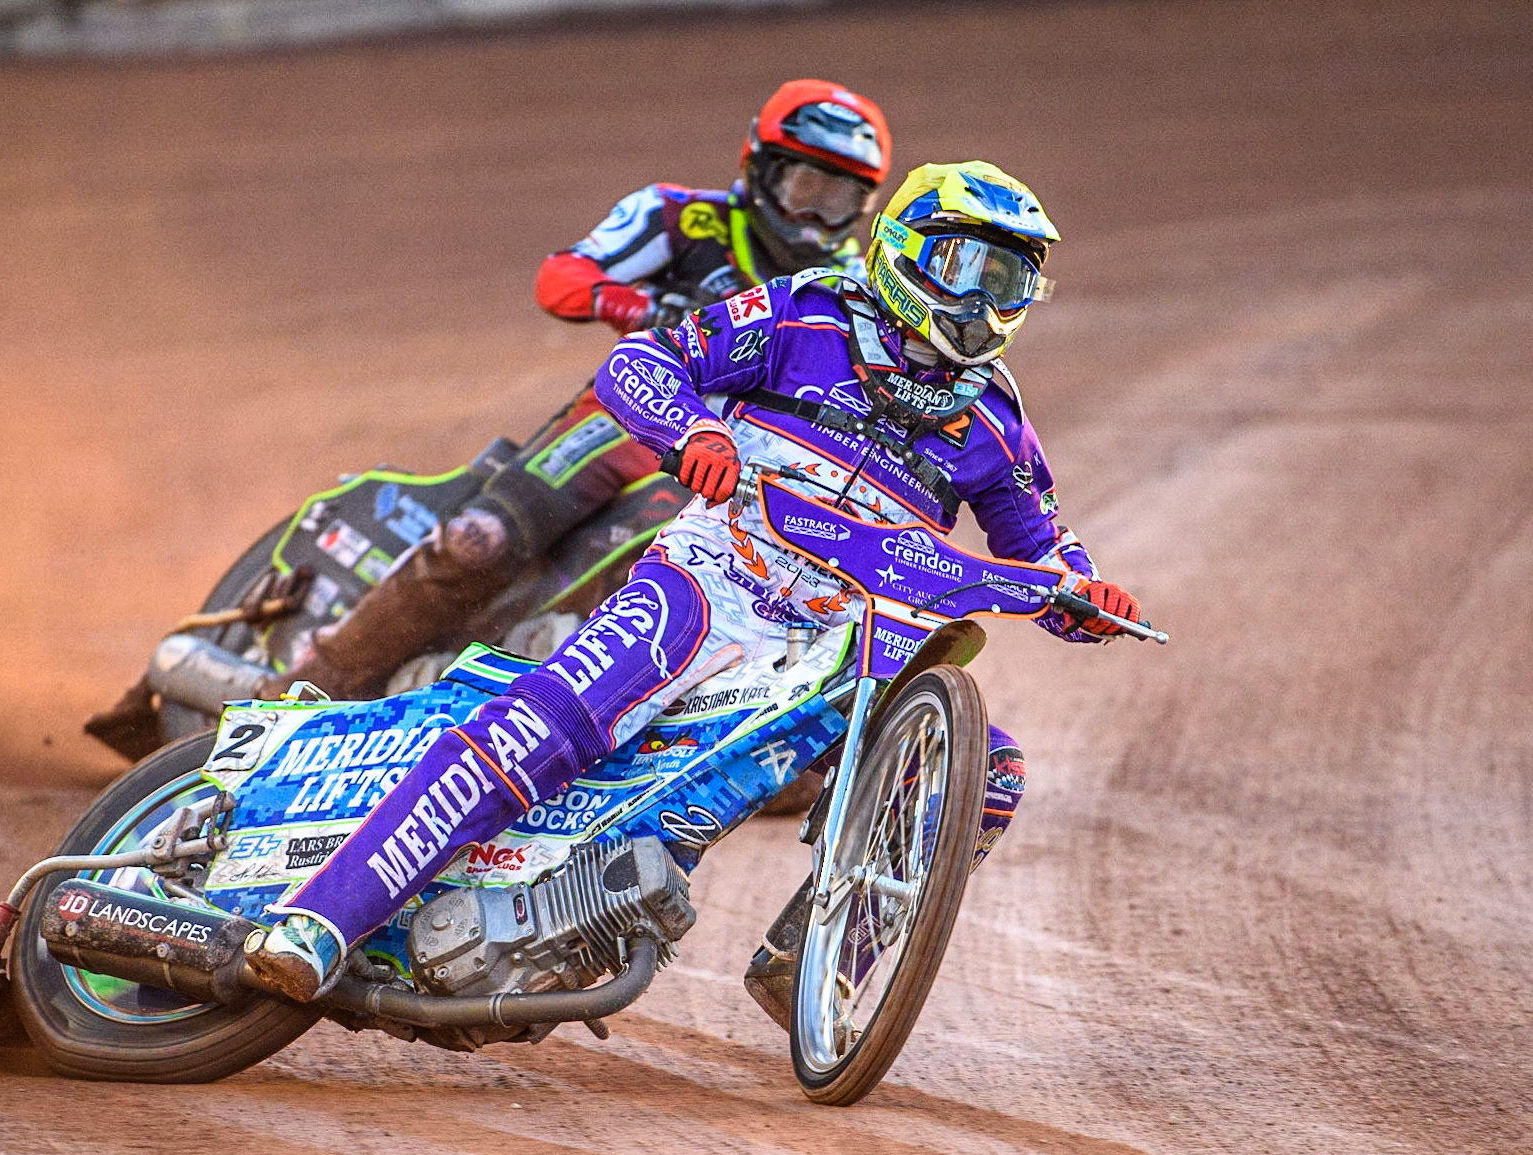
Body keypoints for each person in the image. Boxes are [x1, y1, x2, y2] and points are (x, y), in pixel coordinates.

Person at [246, 160, 1143, 1004]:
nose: (989, 302)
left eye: (1012, 281)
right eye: (970, 267)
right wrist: (694, 433)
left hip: (843, 638)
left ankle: (814, 967)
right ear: (909, 247)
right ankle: (321, 919)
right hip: (716, 574)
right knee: (541, 726)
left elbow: (1042, 545)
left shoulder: (995, 414)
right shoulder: (804, 311)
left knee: (990, 771)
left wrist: (1089, 594)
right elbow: (643, 362)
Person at [268, 79, 892, 701]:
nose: (813, 216)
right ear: (759, 169)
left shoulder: (854, 290)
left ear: (861, 208)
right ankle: (297, 691)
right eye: (804, 188)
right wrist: (647, 308)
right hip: (628, 416)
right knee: (480, 539)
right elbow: (560, 278)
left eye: (835, 199)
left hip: (746, 459)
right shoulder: (680, 217)